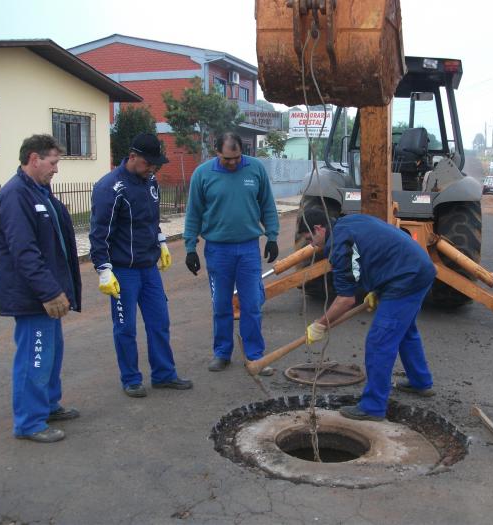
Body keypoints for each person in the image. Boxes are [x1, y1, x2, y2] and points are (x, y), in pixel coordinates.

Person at [301, 210, 437, 421]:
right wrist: (375, 289)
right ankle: (420, 382)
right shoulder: (348, 222)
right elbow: (372, 254)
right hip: (416, 267)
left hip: (406, 277)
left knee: (379, 341)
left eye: (311, 239)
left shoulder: (338, 245)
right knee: (405, 330)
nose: (313, 245)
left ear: (319, 229)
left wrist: (320, 325)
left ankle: (373, 406)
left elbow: (346, 299)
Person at [0, 134, 82, 443]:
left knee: (51, 354)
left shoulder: (39, 191)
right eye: (53, 162)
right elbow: (24, 252)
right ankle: (29, 423)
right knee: (36, 357)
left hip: (49, 293)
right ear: (34, 158)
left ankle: (47, 405)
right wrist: (48, 291)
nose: (56, 169)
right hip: (33, 297)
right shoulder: (16, 195)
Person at [89, 133, 192, 397]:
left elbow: (151, 218)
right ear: (132, 157)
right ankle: (131, 379)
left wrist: (161, 241)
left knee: (160, 321)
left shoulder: (151, 182)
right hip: (122, 270)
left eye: (156, 165)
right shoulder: (110, 188)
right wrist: (103, 270)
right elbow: (99, 233)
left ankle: (164, 374)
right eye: (149, 164)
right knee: (125, 328)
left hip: (148, 266)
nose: (153, 169)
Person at [183, 132, 279, 376]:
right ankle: (222, 353)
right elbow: (193, 213)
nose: (233, 163)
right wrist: (190, 248)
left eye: (237, 157)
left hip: (248, 249)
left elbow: (267, 204)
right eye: (228, 159)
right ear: (217, 152)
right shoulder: (203, 175)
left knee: (252, 303)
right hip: (218, 250)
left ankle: (255, 355)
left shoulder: (255, 169)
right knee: (221, 304)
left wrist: (273, 236)